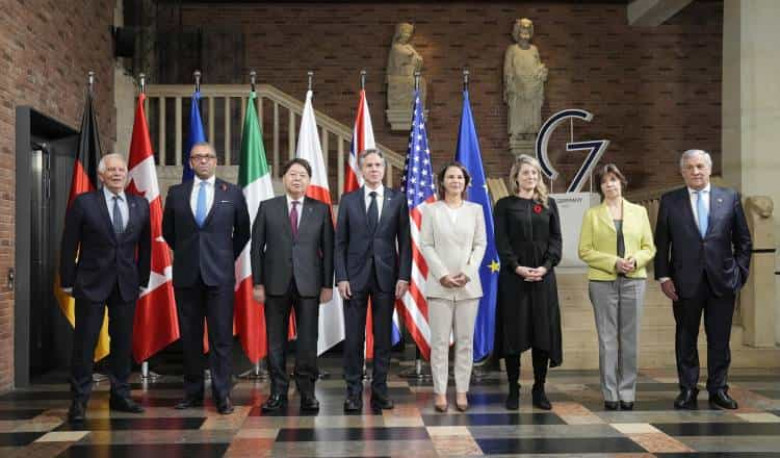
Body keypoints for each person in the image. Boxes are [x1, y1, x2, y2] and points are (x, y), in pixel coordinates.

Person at [654, 149, 751, 410]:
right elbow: (661, 243)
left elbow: (743, 241)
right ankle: (687, 389)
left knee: (719, 339)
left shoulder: (729, 197)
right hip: (684, 282)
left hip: (722, 281)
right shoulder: (670, 201)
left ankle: (718, 389)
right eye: (689, 167)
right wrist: (663, 276)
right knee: (685, 338)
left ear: (709, 169)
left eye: (700, 166)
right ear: (682, 172)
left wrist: (739, 273)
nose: (695, 171)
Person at [59, 153, 151, 423]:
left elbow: (146, 247)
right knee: (85, 343)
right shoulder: (84, 203)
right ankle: (79, 401)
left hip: (126, 284)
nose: (117, 173)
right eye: (111, 170)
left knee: (122, 343)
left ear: (127, 174)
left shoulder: (140, 204)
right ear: (101, 175)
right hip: (91, 284)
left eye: (121, 169)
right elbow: (69, 244)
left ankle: (120, 395)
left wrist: (143, 280)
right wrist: (67, 280)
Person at [162, 142, 250, 415]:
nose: (203, 161)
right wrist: (189, 254)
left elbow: (243, 232)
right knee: (190, 338)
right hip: (187, 275)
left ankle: (222, 395)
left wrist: (224, 256)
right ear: (190, 163)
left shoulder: (232, 193)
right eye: (197, 157)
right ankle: (193, 394)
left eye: (208, 156)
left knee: (221, 338)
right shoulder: (176, 193)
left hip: (219, 276)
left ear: (216, 161)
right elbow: (168, 232)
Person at [251, 158, 334, 413]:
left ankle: (307, 391)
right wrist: (258, 283)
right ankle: (277, 391)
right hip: (275, 284)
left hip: (309, 285)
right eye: (292, 174)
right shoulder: (268, 207)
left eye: (302, 175)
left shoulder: (320, 210)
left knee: (308, 340)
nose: (297, 179)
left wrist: (327, 285)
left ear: (309, 180)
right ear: (283, 178)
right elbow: (256, 248)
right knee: (275, 340)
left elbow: (328, 250)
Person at [335, 149, 412, 412]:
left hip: (386, 278)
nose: (374, 169)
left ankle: (380, 391)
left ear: (384, 168)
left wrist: (403, 276)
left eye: (378, 165)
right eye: (369, 165)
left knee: (382, 339)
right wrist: (341, 276)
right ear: (361, 169)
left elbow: (405, 241)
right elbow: (339, 242)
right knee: (353, 339)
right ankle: (353, 393)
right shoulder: (348, 200)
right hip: (353, 279)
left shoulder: (397, 199)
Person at [578, 164, 656, 411]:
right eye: (604, 181)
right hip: (603, 282)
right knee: (607, 339)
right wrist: (614, 262)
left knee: (630, 339)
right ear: (600, 187)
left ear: (621, 182)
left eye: (613, 179)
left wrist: (635, 261)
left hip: (634, 280)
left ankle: (627, 391)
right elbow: (584, 251)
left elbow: (649, 247)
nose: (609, 184)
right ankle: (610, 392)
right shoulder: (592, 215)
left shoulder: (639, 212)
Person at [494, 154, 562, 411]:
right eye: (525, 172)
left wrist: (545, 267)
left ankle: (539, 389)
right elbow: (501, 241)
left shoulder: (549, 204)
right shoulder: (504, 205)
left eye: (534, 173)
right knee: (514, 334)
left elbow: (556, 240)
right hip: (514, 279)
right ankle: (513, 389)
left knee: (542, 335)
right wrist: (517, 267)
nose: (530, 177)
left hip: (543, 278)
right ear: (516, 177)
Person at [420, 162, 487, 413]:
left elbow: (480, 244)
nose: (455, 181)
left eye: (460, 177)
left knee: (465, 342)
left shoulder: (476, 210)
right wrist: (443, 275)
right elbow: (426, 244)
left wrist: (468, 273)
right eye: (450, 177)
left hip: (468, 287)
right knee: (439, 342)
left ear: (466, 182)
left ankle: (461, 391)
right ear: (442, 181)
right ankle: (440, 392)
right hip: (440, 286)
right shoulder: (431, 210)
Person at [503, 18, 548, 140]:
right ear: (517, 30)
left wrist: (541, 72)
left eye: (528, 28)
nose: (525, 31)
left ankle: (531, 132)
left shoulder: (534, 50)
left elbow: (538, 67)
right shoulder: (512, 50)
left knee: (532, 111)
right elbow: (508, 69)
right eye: (523, 28)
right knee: (518, 110)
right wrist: (510, 83)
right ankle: (517, 132)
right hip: (518, 89)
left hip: (532, 89)